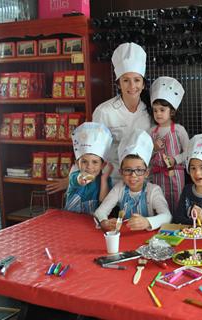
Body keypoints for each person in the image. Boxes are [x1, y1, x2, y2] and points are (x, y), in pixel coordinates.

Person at [46, 42, 152, 193]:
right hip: (112, 183)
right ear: (119, 84)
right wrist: (72, 179)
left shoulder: (151, 112)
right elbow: (89, 148)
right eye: (126, 80)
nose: (132, 86)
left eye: (136, 80)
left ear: (143, 84)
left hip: (144, 184)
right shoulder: (104, 112)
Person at [94, 129, 171, 232]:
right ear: (121, 172)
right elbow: (100, 212)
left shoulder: (153, 191)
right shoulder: (119, 188)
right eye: (128, 170)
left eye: (139, 170)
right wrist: (104, 222)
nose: (133, 175)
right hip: (125, 236)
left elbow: (167, 216)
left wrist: (147, 222)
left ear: (146, 173)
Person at [149, 76, 189, 212]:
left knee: (177, 204)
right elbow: (145, 156)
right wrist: (153, 148)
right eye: (155, 110)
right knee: (159, 203)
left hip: (176, 176)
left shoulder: (179, 130)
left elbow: (188, 152)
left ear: (171, 111)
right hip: (157, 176)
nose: (158, 114)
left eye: (162, 110)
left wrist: (175, 159)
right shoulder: (151, 132)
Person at [64, 122, 113, 214]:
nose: (89, 166)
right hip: (70, 220)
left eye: (95, 162)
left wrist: (104, 179)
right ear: (77, 164)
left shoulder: (106, 180)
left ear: (103, 165)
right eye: (84, 161)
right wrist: (81, 179)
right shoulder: (74, 176)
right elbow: (78, 179)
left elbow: (103, 202)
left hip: (92, 221)